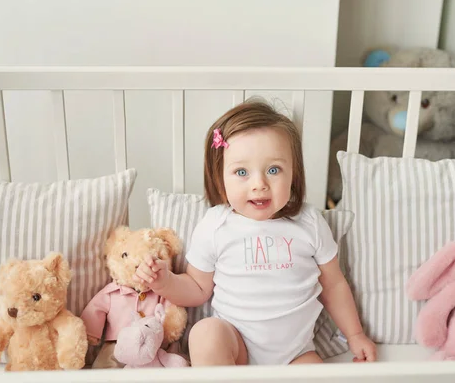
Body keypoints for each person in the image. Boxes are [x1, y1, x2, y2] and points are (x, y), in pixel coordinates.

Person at [134, 100, 376, 366]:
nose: (259, 184)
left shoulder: (308, 222)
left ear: (293, 174)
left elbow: (334, 285)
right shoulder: (216, 225)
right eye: (241, 172)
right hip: (237, 348)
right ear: (220, 178)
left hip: (296, 355)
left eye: (273, 170)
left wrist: (355, 334)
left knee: (316, 374)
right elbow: (197, 288)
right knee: (205, 332)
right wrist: (164, 281)